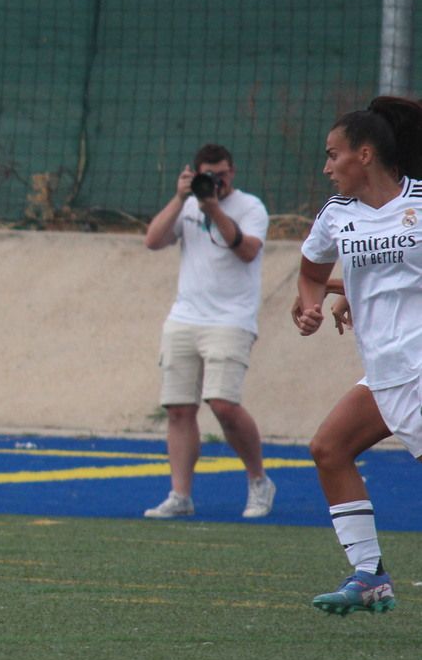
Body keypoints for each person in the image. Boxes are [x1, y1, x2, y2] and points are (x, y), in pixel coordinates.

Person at [291, 95, 422, 615]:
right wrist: (311, 305)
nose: (326, 167)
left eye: (333, 154)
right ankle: (369, 575)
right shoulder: (336, 216)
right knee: (329, 448)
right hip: (386, 370)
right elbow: (309, 271)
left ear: (364, 155)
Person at [141, 143, 276, 519]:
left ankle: (258, 480)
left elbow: (247, 250)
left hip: (231, 319)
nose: (217, 180)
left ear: (232, 171)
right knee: (179, 408)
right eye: (209, 174)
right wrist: (180, 197)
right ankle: (180, 495)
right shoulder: (187, 204)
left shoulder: (250, 207)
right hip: (185, 316)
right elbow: (152, 240)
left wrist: (213, 207)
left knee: (223, 405)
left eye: (223, 173)